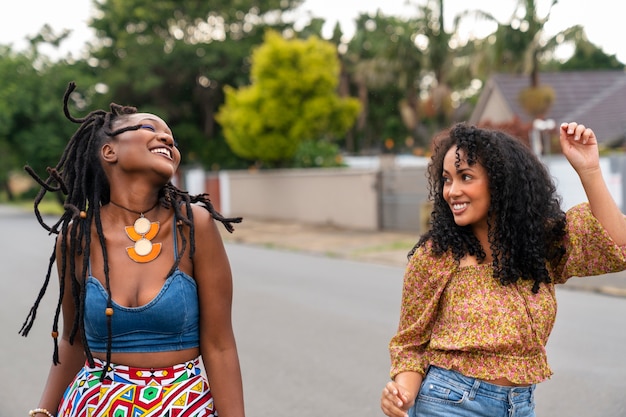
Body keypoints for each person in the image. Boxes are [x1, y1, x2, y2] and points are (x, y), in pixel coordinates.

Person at [19, 82, 245, 417]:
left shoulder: (192, 225)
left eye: (171, 137)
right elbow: (73, 340)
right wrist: (43, 411)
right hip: (93, 406)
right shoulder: (76, 238)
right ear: (109, 151)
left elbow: (220, 345)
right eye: (149, 127)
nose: (167, 138)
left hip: (183, 406)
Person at [380, 121, 626, 417]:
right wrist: (402, 393)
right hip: (449, 404)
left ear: (500, 182)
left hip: (520, 406)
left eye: (465, 177)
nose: (452, 191)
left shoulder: (539, 245)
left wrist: (590, 170)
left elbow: (616, 244)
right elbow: (410, 343)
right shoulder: (435, 256)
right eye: (447, 179)